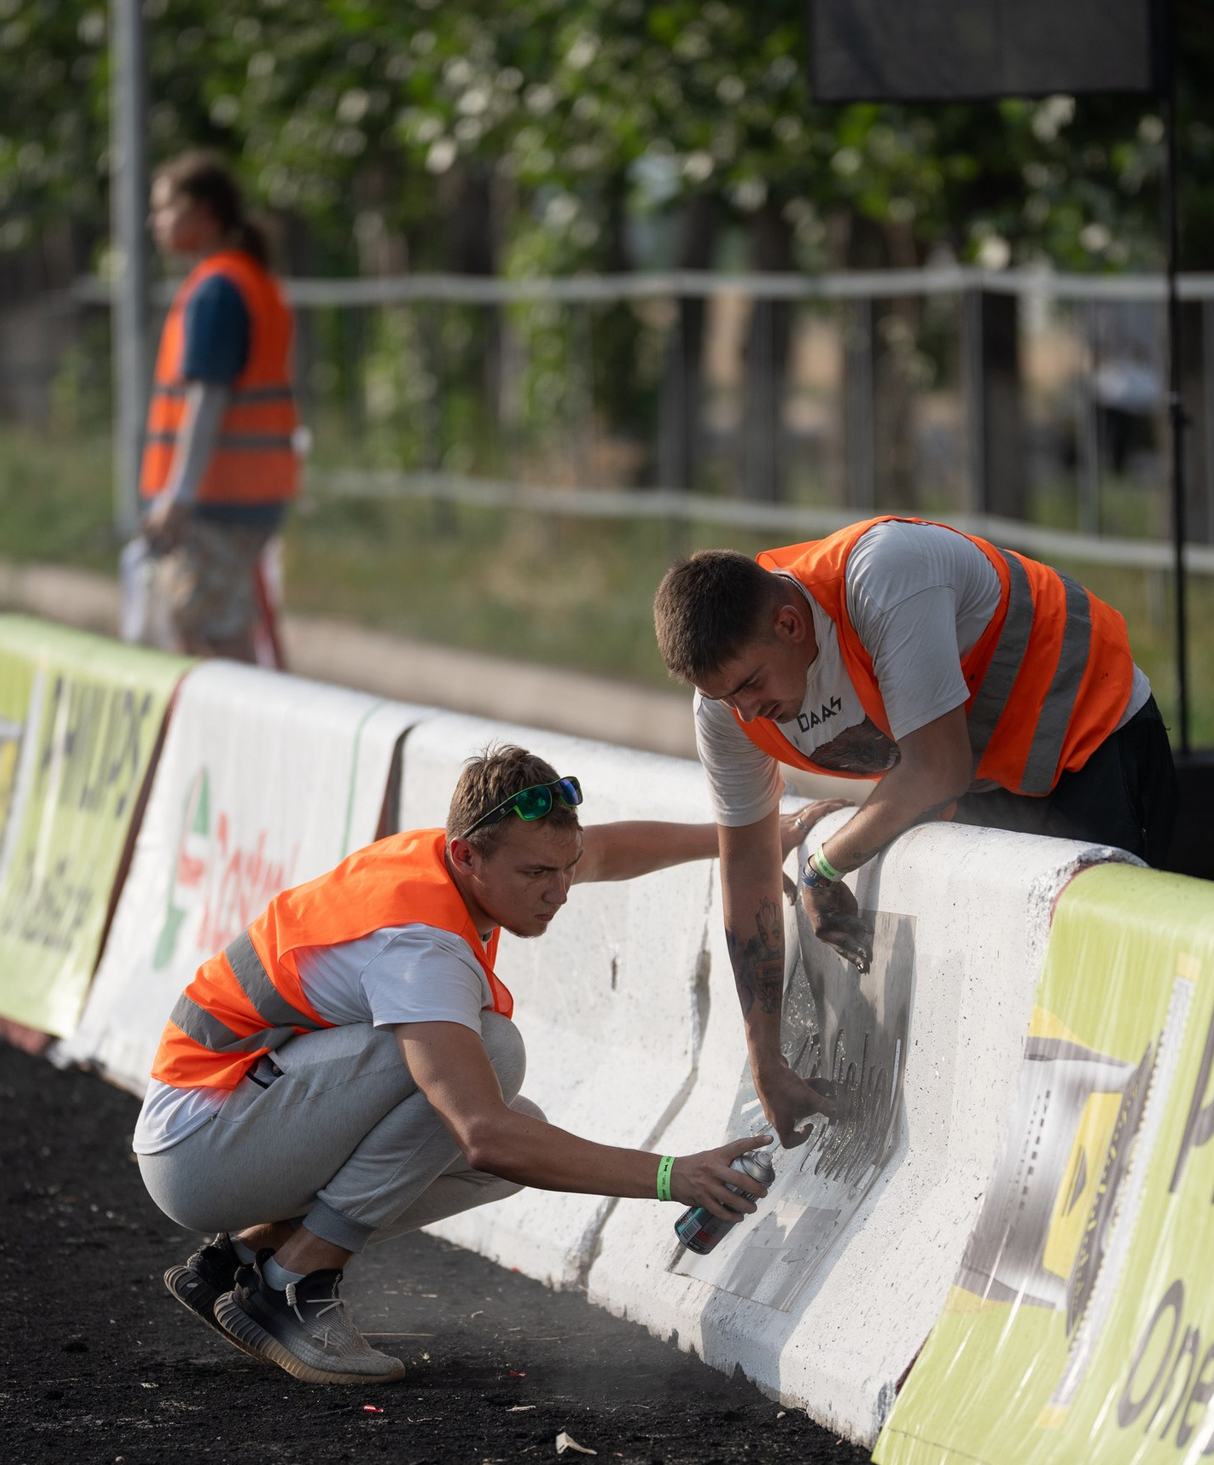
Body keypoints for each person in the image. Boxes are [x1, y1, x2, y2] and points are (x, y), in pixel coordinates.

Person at [137, 744, 836, 1385]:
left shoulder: (459, 858)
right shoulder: (422, 948)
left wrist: (749, 839)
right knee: (493, 1063)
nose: (560, 891)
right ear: (468, 856)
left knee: (508, 1130)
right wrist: (671, 1175)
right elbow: (484, 1133)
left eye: (565, 868)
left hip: (226, 1123)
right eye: (537, 875)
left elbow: (610, 850)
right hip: (201, 1150)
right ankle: (295, 1284)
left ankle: (245, 1259)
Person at [652, 515, 1171, 1144]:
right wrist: (765, 1061)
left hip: (1090, 733)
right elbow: (745, 866)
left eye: (751, 685)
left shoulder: (881, 575)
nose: (747, 712)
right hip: (987, 779)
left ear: (789, 624)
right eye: (726, 698)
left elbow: (936, 768)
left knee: (1110, 984)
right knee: (1011, 999)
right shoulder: (725, 710)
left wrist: (822, 867)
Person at [137, 152, 297, 662]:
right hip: (249, 491)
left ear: (203, 213)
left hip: (215, 500)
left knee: (206, 632)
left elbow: (208, 400)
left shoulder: (217, 289)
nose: (154, 222)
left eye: (165, 208)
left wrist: (178, 497)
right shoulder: (250, 279)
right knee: (217, 624)